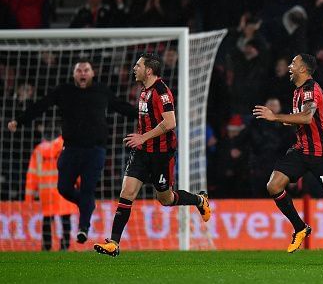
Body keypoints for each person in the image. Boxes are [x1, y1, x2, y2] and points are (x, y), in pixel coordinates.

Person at [252, 54, 323, 265]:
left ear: (304, 69)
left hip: (321, 153)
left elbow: (307, 117)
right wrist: (288, 120)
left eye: (293, 64)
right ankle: (300, 227)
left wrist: (276, 117)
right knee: (273, 186)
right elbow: (307, 119)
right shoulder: (298, 91)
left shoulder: (311, 90)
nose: (289, 66)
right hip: (301, 149)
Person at [7, 59, 138, 244]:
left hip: (95, 150)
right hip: (70, 149)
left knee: (87, 188)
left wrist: (144, 115)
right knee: (64, 188)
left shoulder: (102, 91)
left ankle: (83, 228)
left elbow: (122, 107)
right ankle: (87, 204)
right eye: (79, 70)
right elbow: (41, 106)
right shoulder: (64, 91)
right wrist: (19, 121)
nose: (83, 73)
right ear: (74, 74)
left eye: (86, 70)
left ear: (92, 73)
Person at [94, 53, 211, 257]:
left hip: (161, 154)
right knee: (127, 192)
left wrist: (142, 137)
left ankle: (199, 200)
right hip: (142, 153)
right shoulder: (144, 91)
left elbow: (170, 123)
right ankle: (113, 243)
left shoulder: (162, 92)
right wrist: (141, 141)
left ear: (148, 70)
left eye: (138, 65)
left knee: (165, 199)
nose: (134, 68)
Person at [25, 134, 78, 251]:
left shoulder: (39, 150)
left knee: (47, 218)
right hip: (65, 187)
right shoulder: (67, 144)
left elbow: (32, 174)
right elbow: (75, 165)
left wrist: (29, 197)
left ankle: (46, 246)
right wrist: (81, 185)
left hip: (46, 191)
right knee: (65, 218)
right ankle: (65, 246)